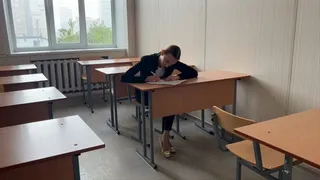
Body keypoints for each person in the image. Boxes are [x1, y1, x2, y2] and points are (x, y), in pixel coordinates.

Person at [121, 45, 198, 158]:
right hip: (144, 94)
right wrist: (145, 79)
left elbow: (193, 72)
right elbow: (125, 77)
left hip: (161, 94)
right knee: (168, 103)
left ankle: (165, 136)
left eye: (171, 64)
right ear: (162, 52)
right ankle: (165, 138)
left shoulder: (173, 61)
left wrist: (178, 77)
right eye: (166, 61)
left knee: (171, 102)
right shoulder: (147, 60)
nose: (167, 65)